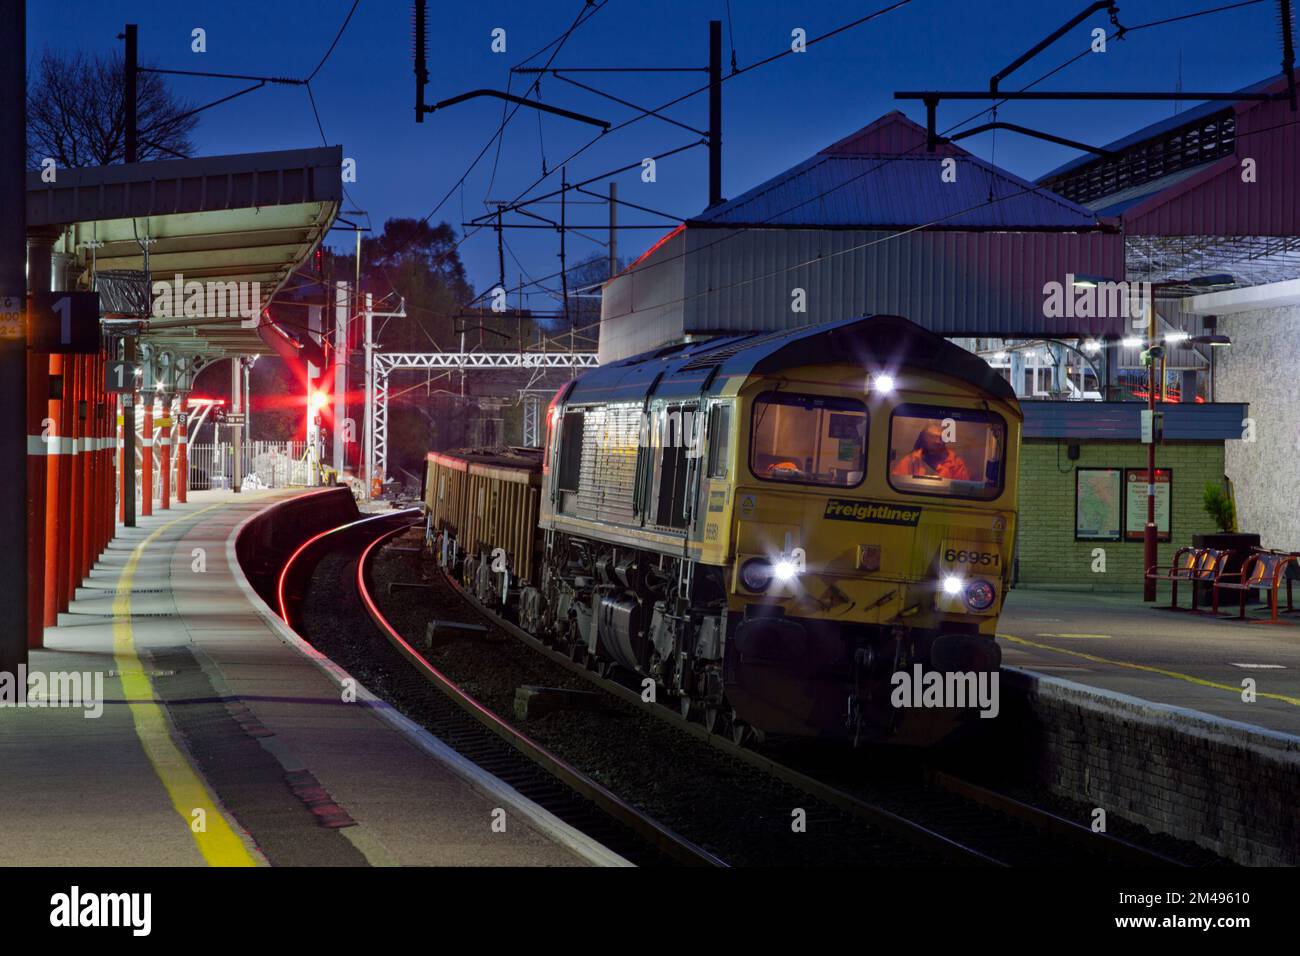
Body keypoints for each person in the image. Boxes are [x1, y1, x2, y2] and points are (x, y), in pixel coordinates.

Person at [891, 422, 970, 480]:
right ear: (924, 438)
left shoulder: (956, 463)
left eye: (941, 437)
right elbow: (897, 483)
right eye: (932, 437)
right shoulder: (911, 460)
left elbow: (963, 492)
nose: (938, 441)